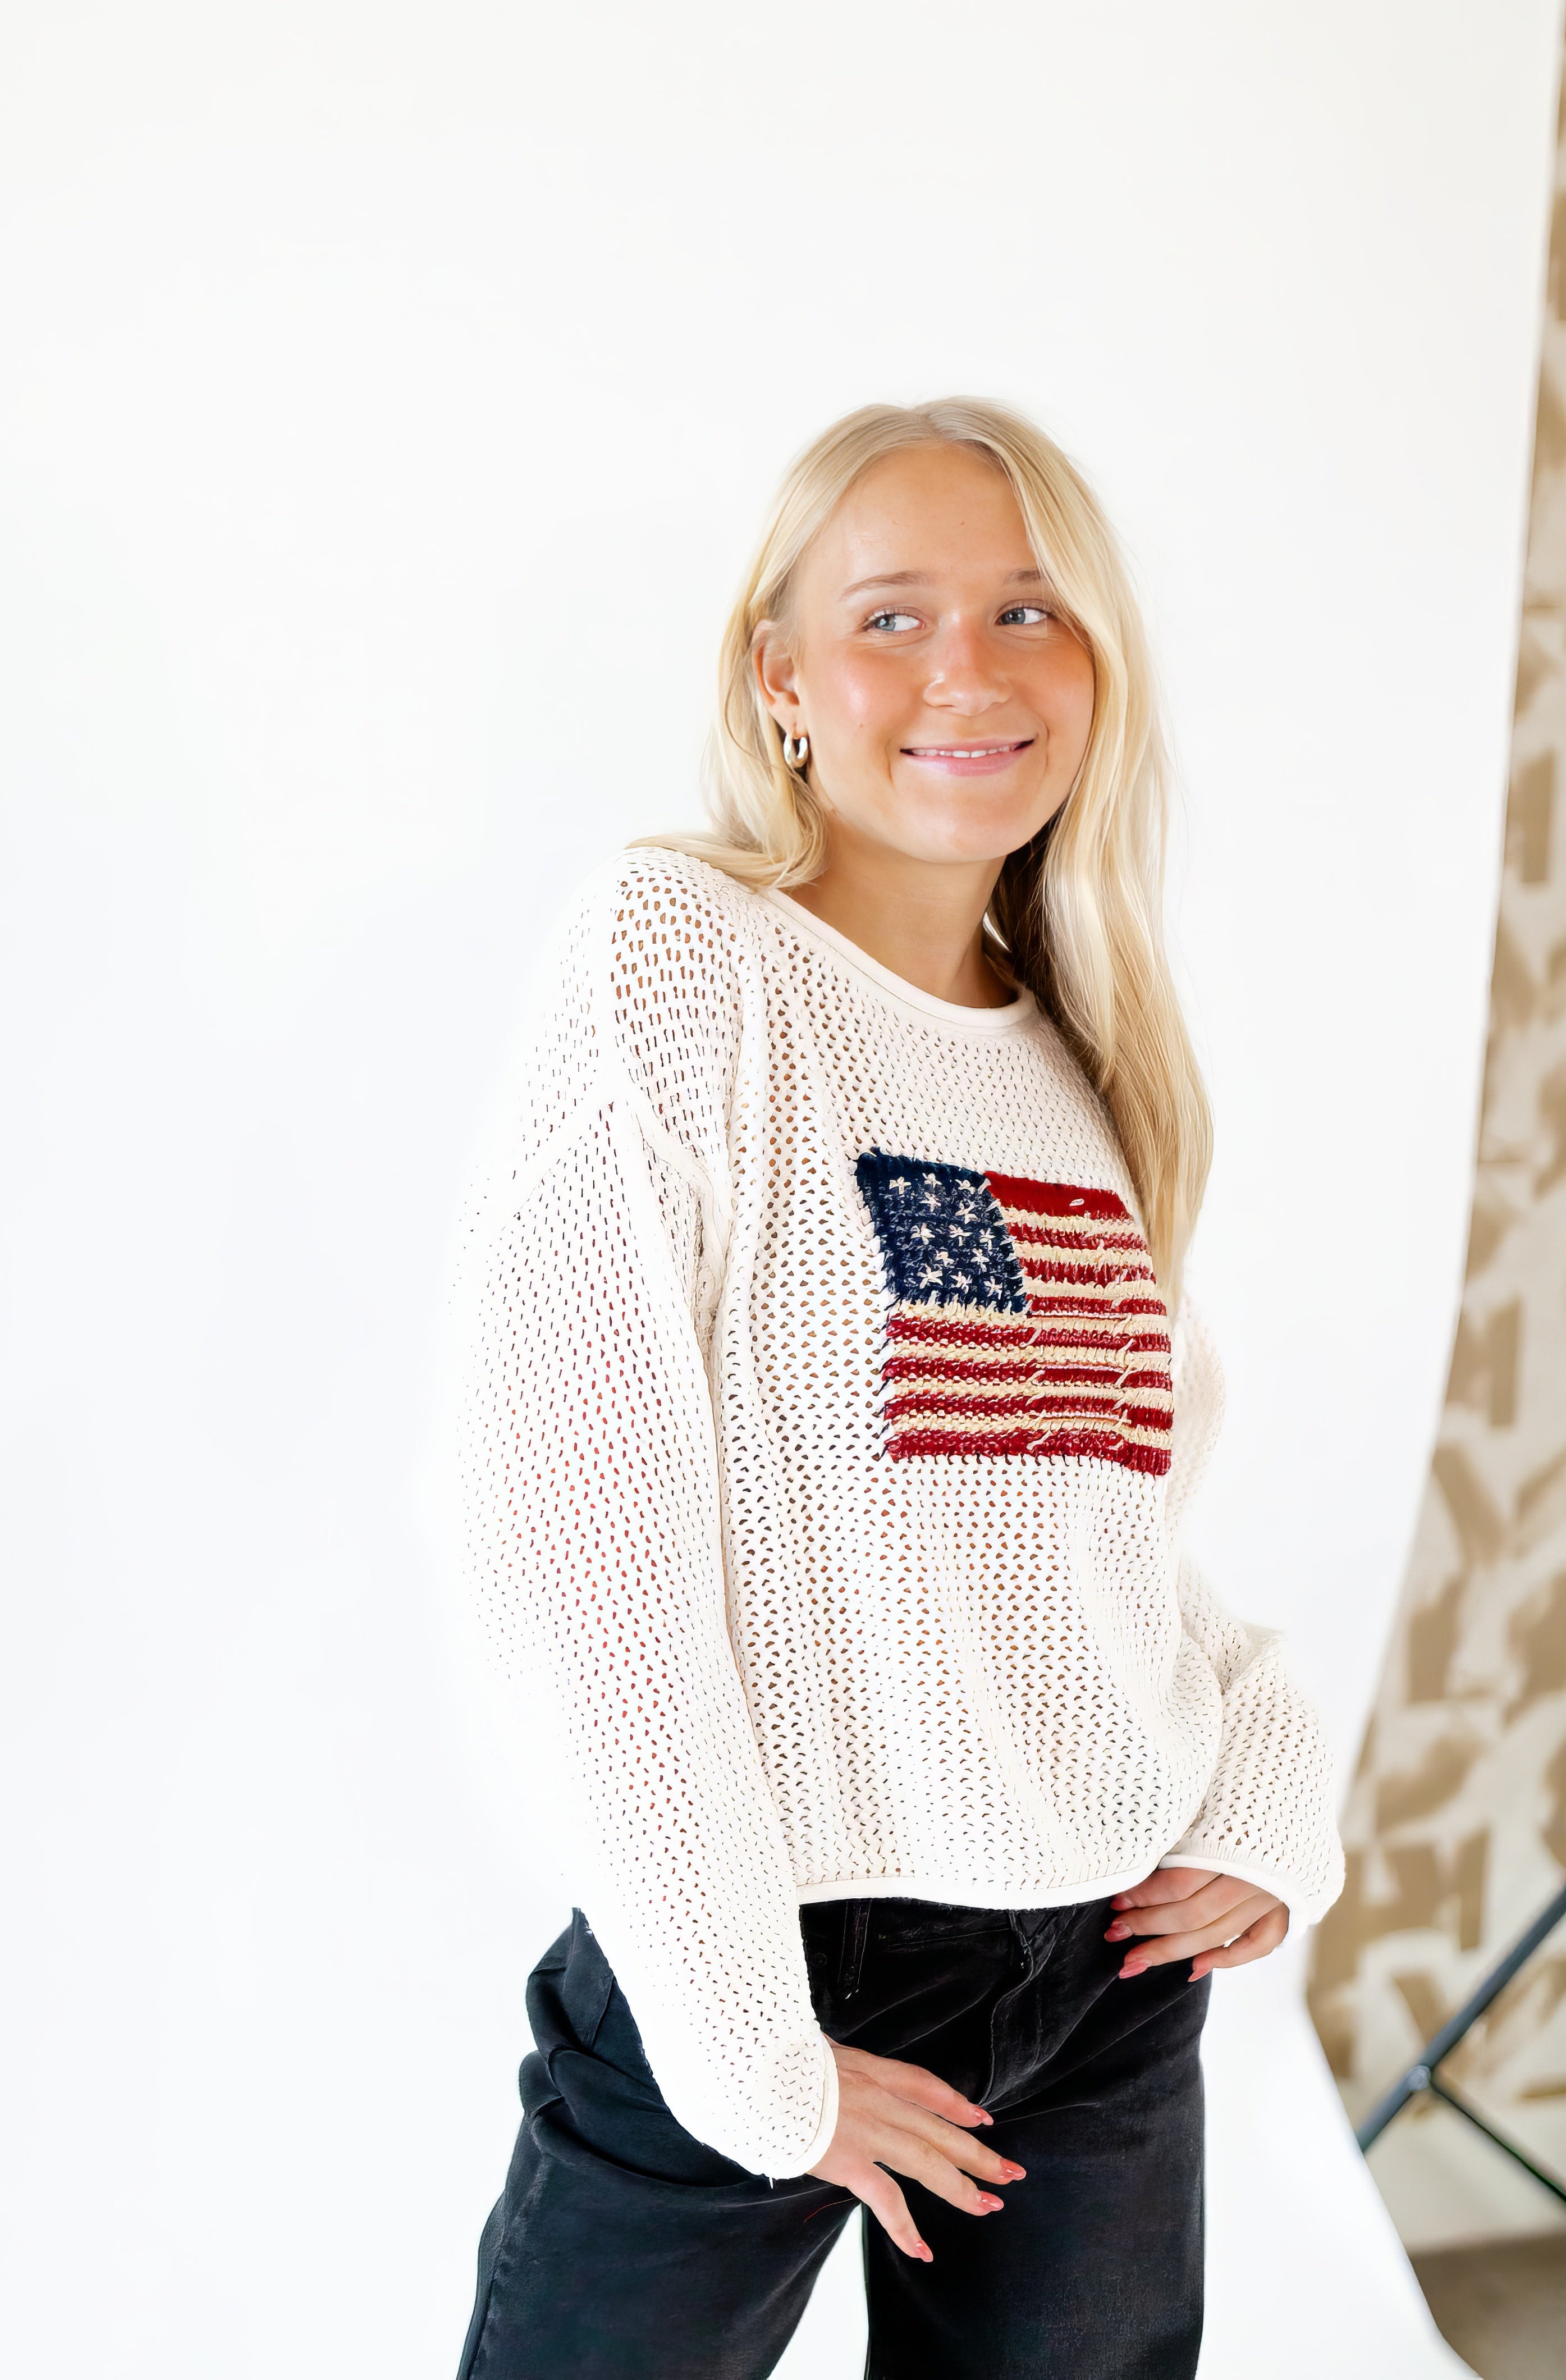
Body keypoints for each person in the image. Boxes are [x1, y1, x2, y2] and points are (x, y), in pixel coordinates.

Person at [447, 398, 1344, 2380]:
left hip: (1098, 1977)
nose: (969, 670)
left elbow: (1087, 1537)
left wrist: (1267, 1779)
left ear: (1098, 664)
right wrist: (750, 2045)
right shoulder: (686, 958)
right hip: (770, 1957)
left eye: (1029, 609)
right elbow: (576, 1541)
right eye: (891, 615)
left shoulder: (1082, 1068)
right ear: (779, 679)